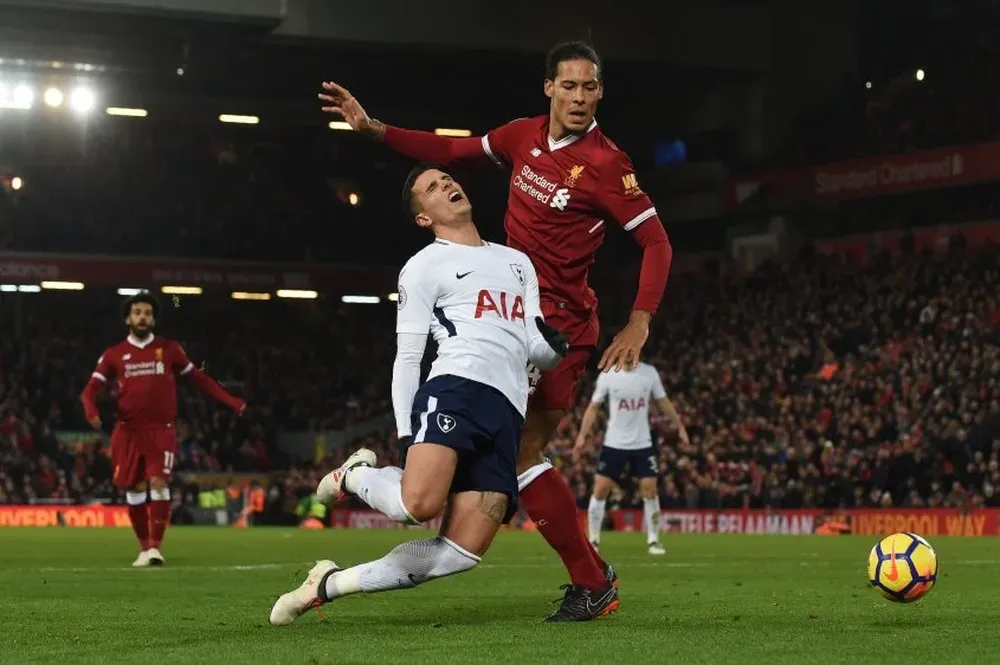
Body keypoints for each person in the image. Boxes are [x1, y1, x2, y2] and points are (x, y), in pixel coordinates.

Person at [318, 40, 672, 620]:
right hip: (502, 311)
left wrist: (639, 321)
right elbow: (451, 149)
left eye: (590, 87)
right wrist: (375, 129)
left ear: (600, 91)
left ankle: (589, 580)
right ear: (549, 88)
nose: (579, 97)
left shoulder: (609, 165)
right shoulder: (520, 137)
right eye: (570, 86)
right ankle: (583, 577)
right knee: (513, 456)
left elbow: (655, 242)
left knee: (526, 451)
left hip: (558, 325)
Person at [269, 164, 573, 626]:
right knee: (418, 506)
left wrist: (552, 349)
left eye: (448, 178)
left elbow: (533, 345)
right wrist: (408, 435)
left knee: (461, 552)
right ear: (423, 218)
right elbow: (407, 358)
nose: (447, 185)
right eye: (432, 187)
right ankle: (354, 476)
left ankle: (326, 585)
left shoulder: (517, 263)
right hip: (456, 389)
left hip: (509, 409)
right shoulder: (424, 266)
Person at [80, 292, 246, 566]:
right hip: (128, 432)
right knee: (134, 489)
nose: (142, 317)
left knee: (158, 482)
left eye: (147, 312)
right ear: (128, 318)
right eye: (137, 312)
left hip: (161, 430)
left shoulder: (169, 349)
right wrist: (91, 411)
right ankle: (144, 548)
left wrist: (231, 400)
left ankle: (155, 547)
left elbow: (199, 379)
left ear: (153, 318)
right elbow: (90, 389)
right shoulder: (114, 354)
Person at [573, 361, 688, 555]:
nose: (628, 353)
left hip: (642, 443)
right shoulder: (608, 375)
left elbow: (663, 401)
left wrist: (680, 426)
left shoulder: (649, 373)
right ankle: (593, 540)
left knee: (649, 489)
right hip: (614, 443)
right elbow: (593, 407)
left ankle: (653, 541)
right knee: (600, 489)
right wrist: (582, 436)